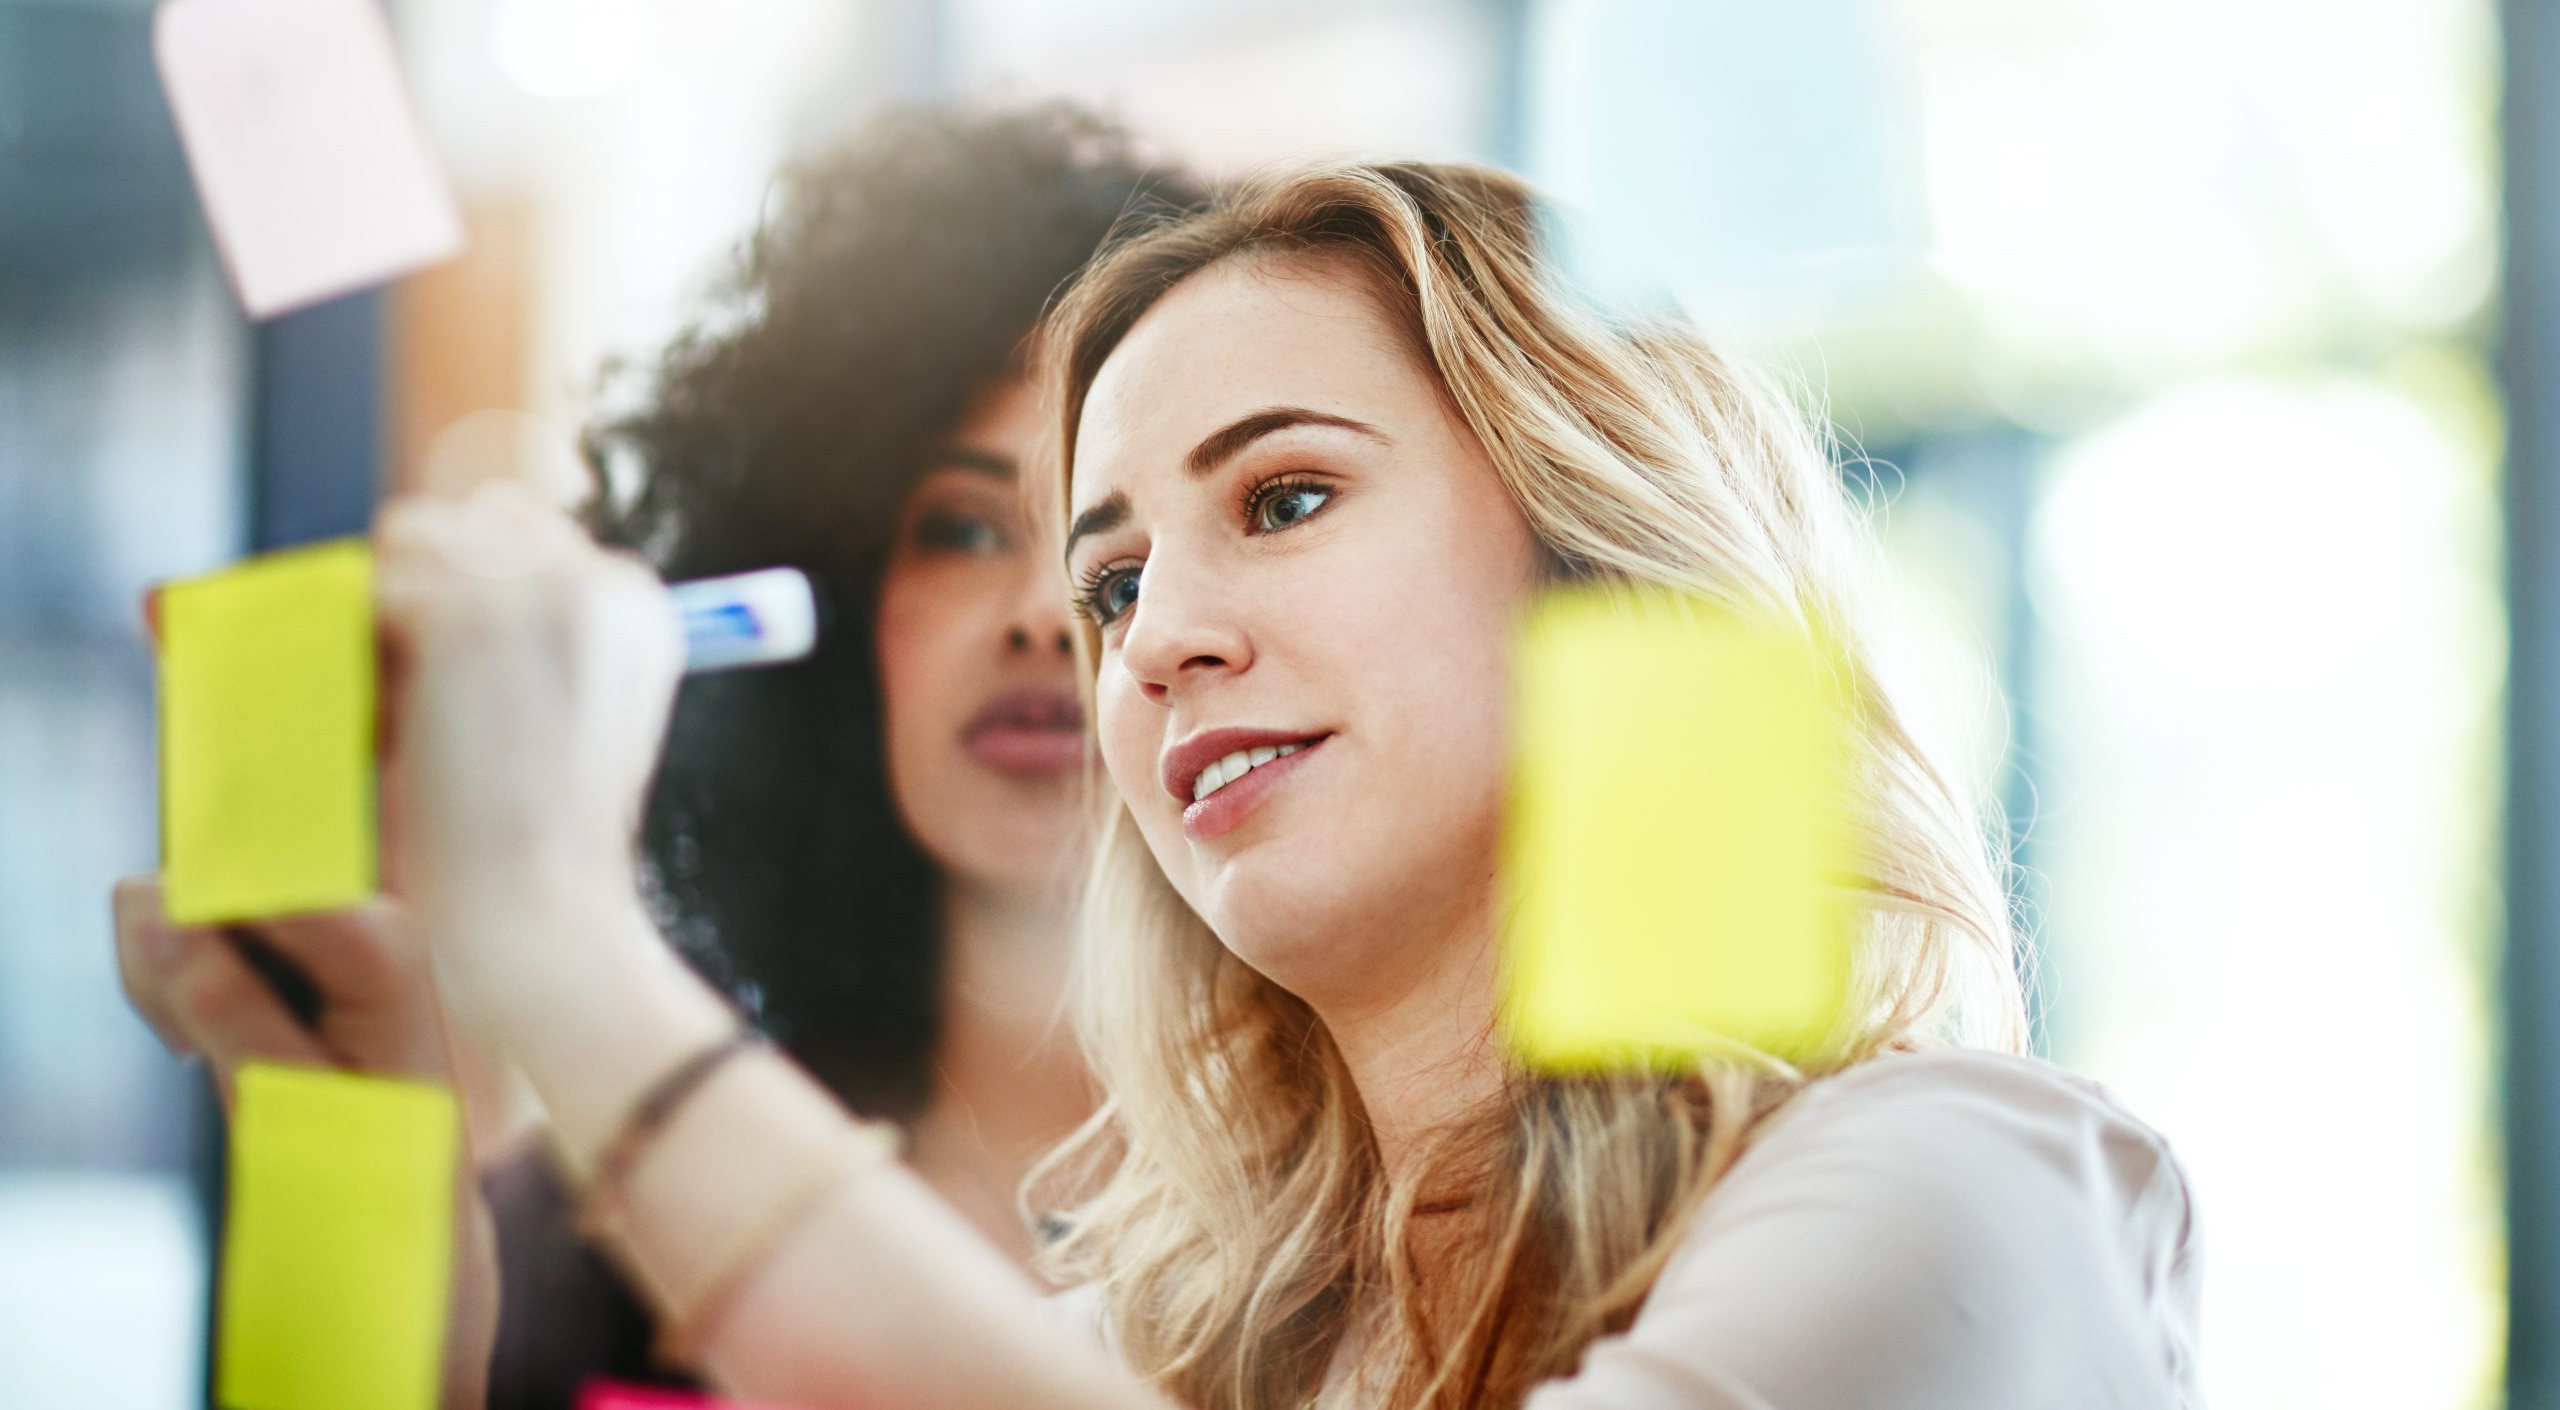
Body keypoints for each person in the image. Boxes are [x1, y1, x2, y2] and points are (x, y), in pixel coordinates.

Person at [250, 161, 2204, 1407]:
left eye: (1280, 496)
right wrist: (373, 1122)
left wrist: (565, 944)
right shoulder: (1173, 1352)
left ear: (1600, 565)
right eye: (1111, 577)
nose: (1141, 635)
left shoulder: (1958, 1189)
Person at [112, 104, 1211, 1406]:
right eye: (961, 530)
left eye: (1119, 556)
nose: (1042, 610)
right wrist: (344, 1141)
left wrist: (546, 920)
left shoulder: (1398, 1219)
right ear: (848, 598)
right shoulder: (588, 1228)